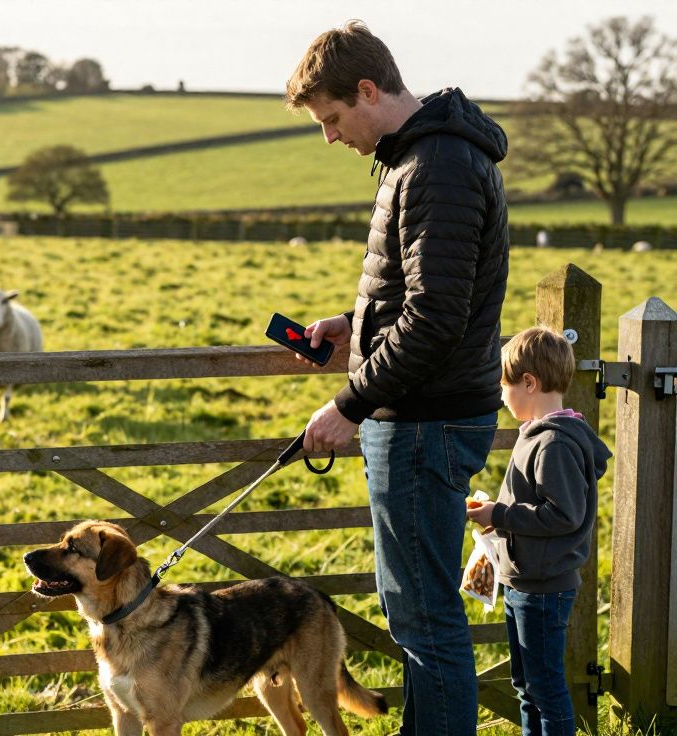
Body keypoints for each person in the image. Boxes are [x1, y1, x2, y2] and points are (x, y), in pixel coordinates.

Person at [284, 20, 510, 735]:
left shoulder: (437, 164)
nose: (329, 137)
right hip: (425, 413)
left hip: (423, 419)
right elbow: (431, 295)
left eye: (332, 118)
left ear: (369, 89)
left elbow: (438, 317)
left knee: (423, 614)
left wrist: (350, 403)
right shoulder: (422, 157)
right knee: (417, 607)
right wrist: (354, 326)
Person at [466, 327, 610, 736]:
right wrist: (498, 516)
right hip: (523, 580)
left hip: (543, 587)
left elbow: (563, 515)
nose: (501, 395)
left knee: (545, 689)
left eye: (505, 386)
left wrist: (503, 514)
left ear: (529, 382)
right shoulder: (538, 434)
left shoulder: (554, 444)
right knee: (526, 686)